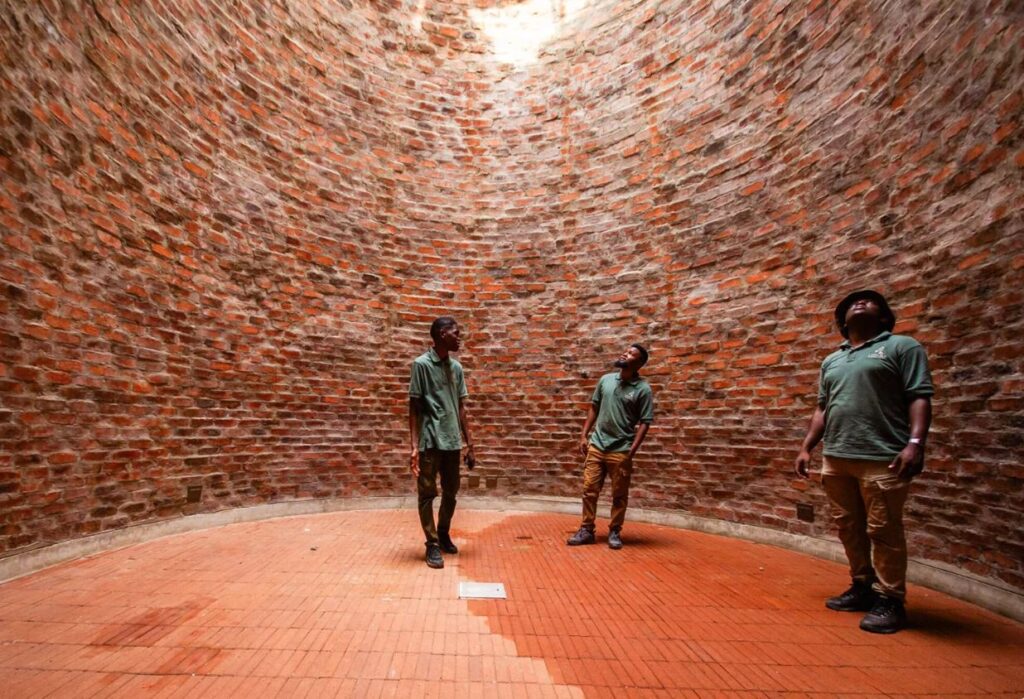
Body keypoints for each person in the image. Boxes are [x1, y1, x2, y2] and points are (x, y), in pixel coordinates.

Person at [795, 290, 933, 634]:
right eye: (852, 303)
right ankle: (862, 585)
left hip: (883, 457)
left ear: (884, 316)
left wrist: (915, 443)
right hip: (837, 456)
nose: (860, 303)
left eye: (871, 302)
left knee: (884, 530)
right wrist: (807, 447)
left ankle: (891, 599)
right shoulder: (832, 360)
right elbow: (823, 407)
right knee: (848, 527)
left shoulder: (902, 347)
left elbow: (918, 396)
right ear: (843, 322)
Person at [567, 344, 654, 550]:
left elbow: (645, 422)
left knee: (619, 495)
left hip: (621, 449)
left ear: (639, 363)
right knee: (589, 489)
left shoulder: (643, 389)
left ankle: (615, 531)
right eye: (626, 350)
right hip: (597, 445)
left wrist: (631, 451)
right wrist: (584, 435)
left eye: (631, 354)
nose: (625, 353)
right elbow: (594, 407)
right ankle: (587, 530)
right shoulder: (606, 380)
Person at [409, 317, 476, 569]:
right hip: (429, 441)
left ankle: (443, 532)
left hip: (452, 442)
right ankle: (432, 543)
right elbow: (414, 407)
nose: (459, 337)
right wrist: (413, 446)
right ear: (441, 334)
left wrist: (470, 444)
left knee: (451, 491)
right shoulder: (421, 365)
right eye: (455, 333)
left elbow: (461, 407)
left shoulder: (456, 368)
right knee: (427, 494)